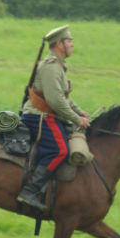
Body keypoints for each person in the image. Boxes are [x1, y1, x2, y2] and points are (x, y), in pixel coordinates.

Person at [18, 24, 90, 211]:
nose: (72, 45)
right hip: (40, 117)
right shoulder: (51, 67)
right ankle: (29, 191)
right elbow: (55, 101)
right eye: (69, 41)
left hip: (47, 115)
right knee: (60, 151)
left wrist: (80, 111)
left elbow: (63, 96)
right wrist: (76, 119)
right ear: (59, 44)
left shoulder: (57, 66)